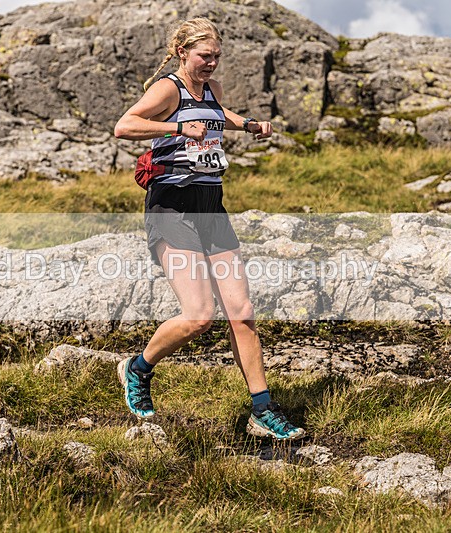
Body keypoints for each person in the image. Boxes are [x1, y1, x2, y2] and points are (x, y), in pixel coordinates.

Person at [113, 18, 305, 440]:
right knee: (199, 316)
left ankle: (262, 409)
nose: (212, 63)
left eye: (217, 56)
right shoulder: (167, 89)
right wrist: (177, 127)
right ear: (183, 52)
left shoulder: (212, 89)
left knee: (242, 313)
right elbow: (124, 126)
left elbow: (217, 115)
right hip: (172, 207)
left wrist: (248, 124)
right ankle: (138, 368)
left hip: (211, 207)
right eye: (205, 56)